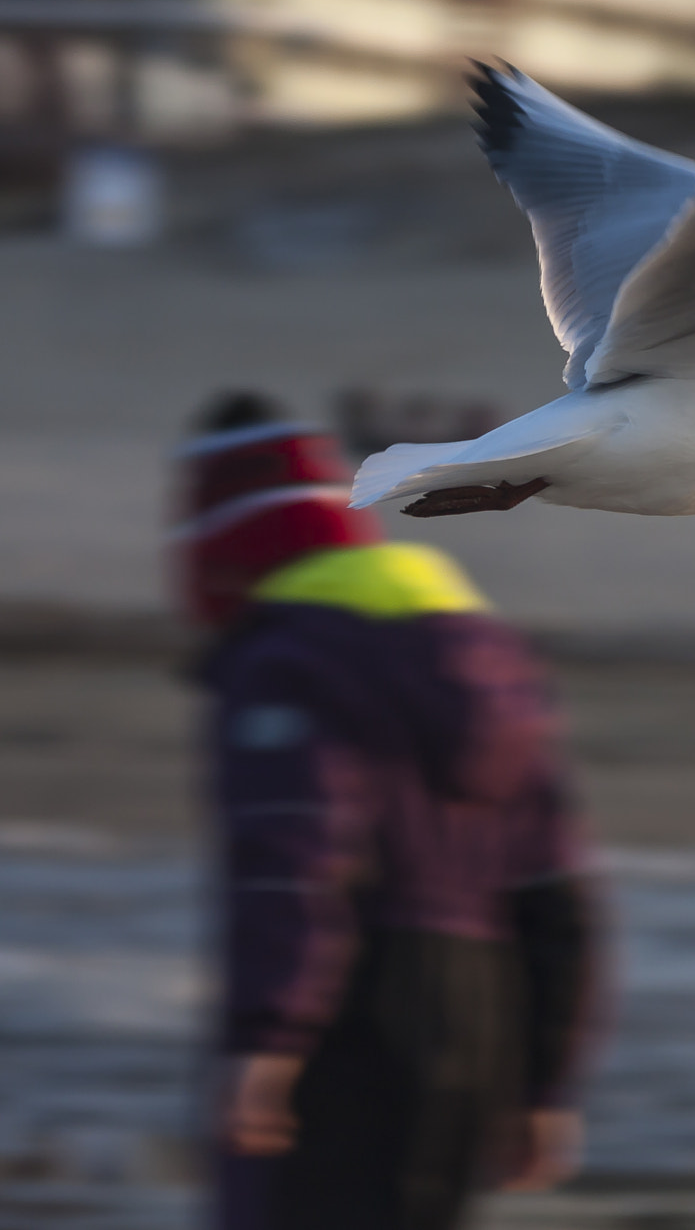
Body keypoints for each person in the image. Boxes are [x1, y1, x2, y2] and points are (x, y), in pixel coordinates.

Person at [175, 392, 604, 1230]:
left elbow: (293, 863)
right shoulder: (488, 658)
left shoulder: (288, 659)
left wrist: (268, 1038)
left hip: (351, 1012)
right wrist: (545, 1081)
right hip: (478, 1021)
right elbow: (557, 890)